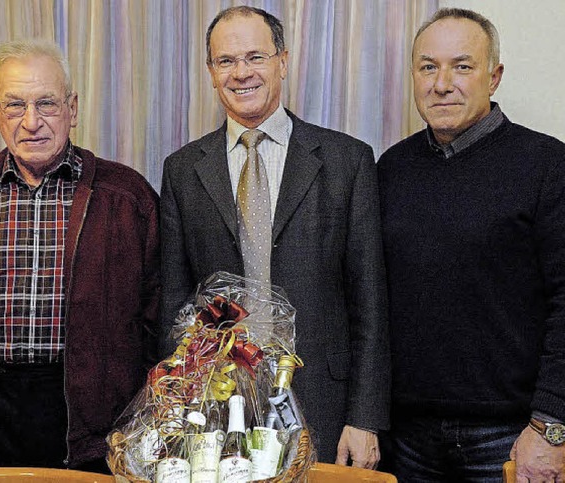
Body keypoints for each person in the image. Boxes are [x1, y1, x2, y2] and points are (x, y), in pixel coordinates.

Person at [160, 6, 389, 467]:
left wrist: (364, 418)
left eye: (255, 56)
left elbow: (370, 303)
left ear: (283, 61)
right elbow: (174, 300)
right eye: (226, 61)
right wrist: (176, 409)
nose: (241, 73)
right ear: (210, 72)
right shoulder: (183, 170)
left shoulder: (347, 161)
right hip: (216, 406)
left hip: (322, 402)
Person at [0, 39, 160, 471]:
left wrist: (144, 426)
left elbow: (156, 325)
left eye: (46, 103)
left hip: (98, 429)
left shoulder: (127, 197)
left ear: (73, 108)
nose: (31, 122)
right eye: (15, 105)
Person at [378, 8, 565, 481]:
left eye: (462, 66)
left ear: (494, 76)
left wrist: (550, 426)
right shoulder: (390, 169)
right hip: (406, 437)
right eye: (428, 66)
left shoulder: (547, 164)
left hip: (511, 435)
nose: (442, 83)